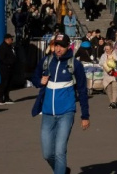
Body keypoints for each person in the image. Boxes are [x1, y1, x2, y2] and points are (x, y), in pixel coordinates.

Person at [33, 33, 91, 174]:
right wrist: (39, 81)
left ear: (68, 47)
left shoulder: (75, 65)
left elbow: (82, 91)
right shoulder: (46, 61)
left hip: (66, 113)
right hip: (47, 113)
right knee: (47, 154)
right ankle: (63, 170)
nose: (58, 49)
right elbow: (35, 77)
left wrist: (85, 116)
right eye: (56, 45)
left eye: (62, 46)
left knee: (60, 151)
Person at [0, 34, 17, 105]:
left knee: (8, 83)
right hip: (5, 68)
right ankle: (0, 99)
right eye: (11, 39)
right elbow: (2, 59)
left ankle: (6, 97)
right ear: (7, 39)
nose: (12, 40)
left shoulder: (10, 47)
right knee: (4, 83)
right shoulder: (2, 47)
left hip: (10, 68)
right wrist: (10, 62)